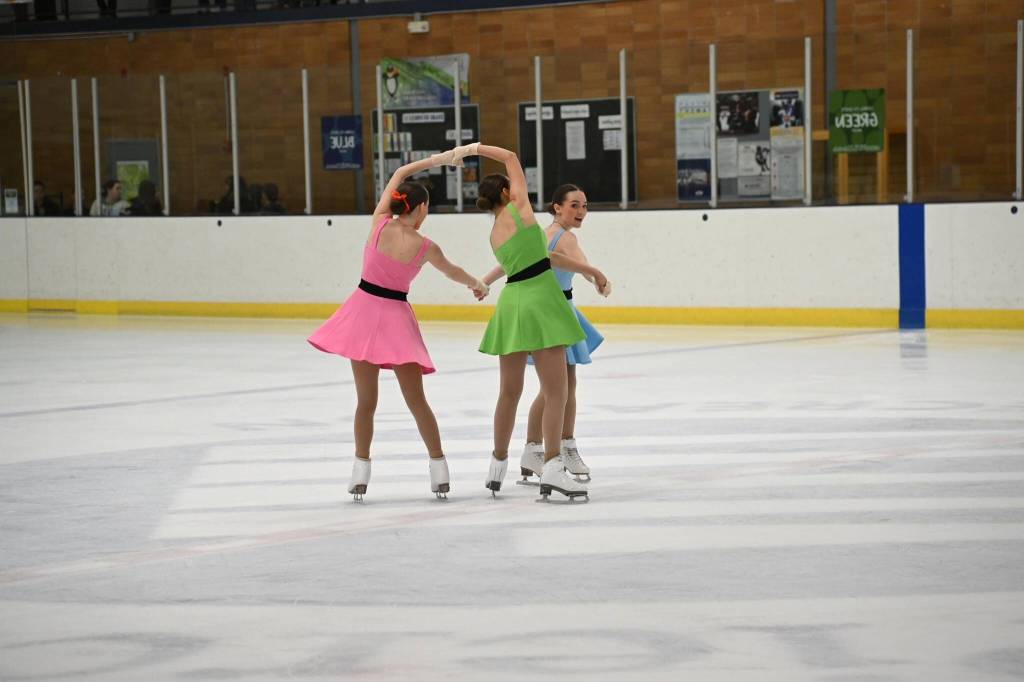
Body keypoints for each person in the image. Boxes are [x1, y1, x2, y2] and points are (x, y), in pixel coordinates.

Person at [307, 152, 489, 502]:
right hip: (395, 319)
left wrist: (439, 159)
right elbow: (453, 271)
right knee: (417, 400)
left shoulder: (378, 224)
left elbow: (403, 170)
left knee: (366, 402)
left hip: (361, 314)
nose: (428, 213)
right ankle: (439, 469)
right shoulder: (425, 247)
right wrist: (477, 284)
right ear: (419, 208)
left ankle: (360, 471)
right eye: (428, 207)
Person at [463, 143, 609, 502]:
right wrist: (474, 148)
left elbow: (543, 257)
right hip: (541, 301)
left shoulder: (496, 230)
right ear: (504, 193)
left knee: (509, 393)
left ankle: (497, 465)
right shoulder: (522, 212)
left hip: (511, 303)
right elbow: (512, 157)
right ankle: (555, 468)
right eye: (511, 189)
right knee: (557, 389)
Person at [485, 184, 606, 486]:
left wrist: (485, 280)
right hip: (552, 308)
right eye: (574, 205)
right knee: (560, 387)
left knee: (551, 386)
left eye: (584, 206)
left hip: (541, 305)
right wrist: (597, 277)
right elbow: (566, 263)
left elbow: (516, 261)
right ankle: (560, 448)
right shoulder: (563, 236)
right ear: (557, 207)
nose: (581, 212)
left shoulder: (542, 231)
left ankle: (533, 449)